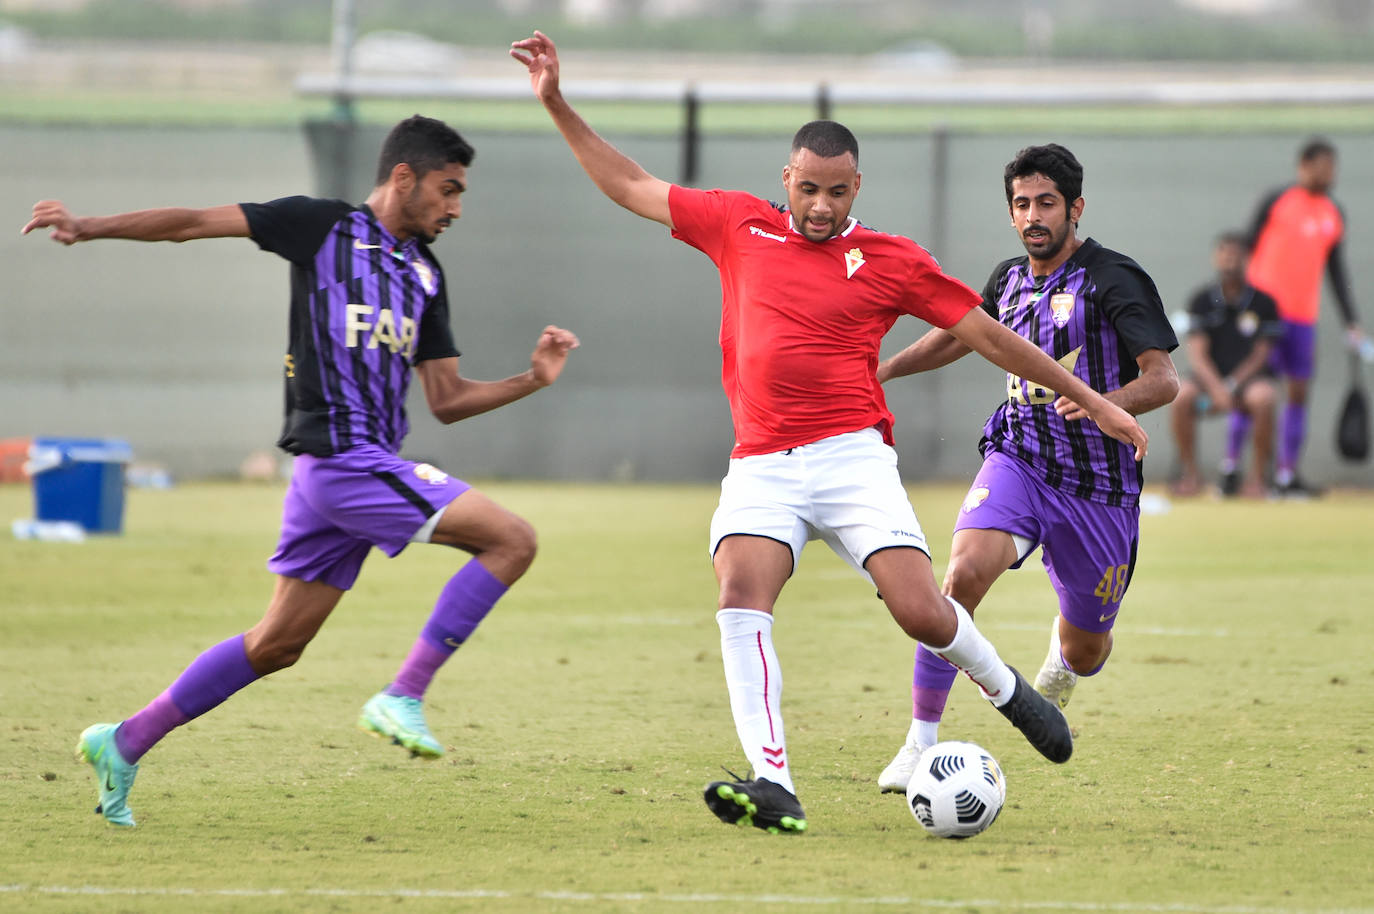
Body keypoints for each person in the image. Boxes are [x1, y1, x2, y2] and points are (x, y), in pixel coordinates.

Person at [511, 33, 1149, 834]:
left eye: (837, 192)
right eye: (809, 189)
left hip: (852, 459)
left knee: (921, 609)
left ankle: (1010, 692)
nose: (821, 206)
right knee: (740, 594)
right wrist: (556, 104)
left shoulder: (889, 259)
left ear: (856, 187)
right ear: (787, 180)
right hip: (761, 465)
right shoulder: (737, 225)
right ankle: (773, 781)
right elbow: (631, 185)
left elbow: (989, 337)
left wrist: (1095, 399)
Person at [22, 115, 581, 828]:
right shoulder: (319, 228)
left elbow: (446, 399)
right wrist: (89, 225)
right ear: (403, 177)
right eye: (448, 189)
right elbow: (193, 222)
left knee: (276, 646)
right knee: (513, 540)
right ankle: (404, 693)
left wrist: (531, 379)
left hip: (354, 473)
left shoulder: (424, 274)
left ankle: (123, 742)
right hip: (342, 463)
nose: (456, 208)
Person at [873, 144, 1179, 795]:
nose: (1033, 216)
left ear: (1075, 208)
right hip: (1019, 460)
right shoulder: (1009, 279)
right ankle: (916, 744)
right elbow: (959, 333)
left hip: (1099, 490)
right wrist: (887, 368)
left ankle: (1063, 659)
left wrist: (1106, 403)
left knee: (1089, 649)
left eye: (1046, 203)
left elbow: (1164, 380)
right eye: (1021, 204)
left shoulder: (1113, 278)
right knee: (957, 579)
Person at [1245, 137, 1367, 497]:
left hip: (1302, 317)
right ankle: (1239, 472)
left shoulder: (1333, 213)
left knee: (1298, 392)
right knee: (1252, 388)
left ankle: (1286, 474)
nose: (1329, 174)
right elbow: (1246, 248)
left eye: (1333, 167)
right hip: (1264, 316)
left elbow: (1337, 271)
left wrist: (1351, 320)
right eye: (1323, 166)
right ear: (1304, 165)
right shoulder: (1278, 201)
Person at [1170, 232, 1282, 498]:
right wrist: (1218, 388)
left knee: (1264, 398)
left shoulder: (1264, 303)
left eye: (1236, 255)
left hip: (1246, 386)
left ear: (1247, 259)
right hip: (1209, 387)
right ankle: (1190, 476)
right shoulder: (1202, 300)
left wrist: (1231, 386)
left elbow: (1261, 354)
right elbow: (1198, 354)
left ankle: (1256, 480)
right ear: (1216, 258)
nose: (1230, 260)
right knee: (1182, 396)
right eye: (1225, 254)